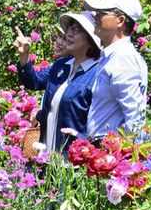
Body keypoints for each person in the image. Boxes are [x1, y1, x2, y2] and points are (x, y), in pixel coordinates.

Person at [14, 11, 102, 154]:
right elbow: (33, 82)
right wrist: (24, 56)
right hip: (47, 158)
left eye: (77, 30)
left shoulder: (98, 74)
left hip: (73, 164)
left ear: (91, 40)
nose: (69, 34)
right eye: (70, 29)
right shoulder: (61, 66)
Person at [83, 0, 148, 140]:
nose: (95, 16)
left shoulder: (123, 59)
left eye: (102, 12)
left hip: (111, 152)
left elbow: (134, 118)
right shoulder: (112, 56)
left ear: (120, 20)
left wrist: (126, 158)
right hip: (104, 150)